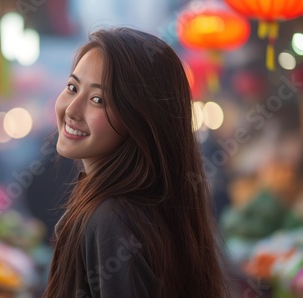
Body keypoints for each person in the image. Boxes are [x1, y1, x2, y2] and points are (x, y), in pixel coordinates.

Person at [44, 28, 230, 297]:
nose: (71, 109)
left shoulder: (111, 219)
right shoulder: (138, 208)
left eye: (98, 99)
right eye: (72, 88)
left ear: (140, 121)